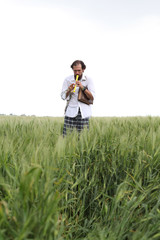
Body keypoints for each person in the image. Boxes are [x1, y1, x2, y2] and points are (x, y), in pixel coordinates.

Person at [61, 60, 95, 136]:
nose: (77, 73)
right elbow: (63, 97)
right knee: (67, 136)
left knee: (83, 137)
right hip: (70, 112)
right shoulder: (68, 80)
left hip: (84, 112)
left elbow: (92, 97)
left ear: (83, 69)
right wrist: (69, 90)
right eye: (75, 70)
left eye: (79, 70)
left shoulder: (88, 79)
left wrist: (82, 87)